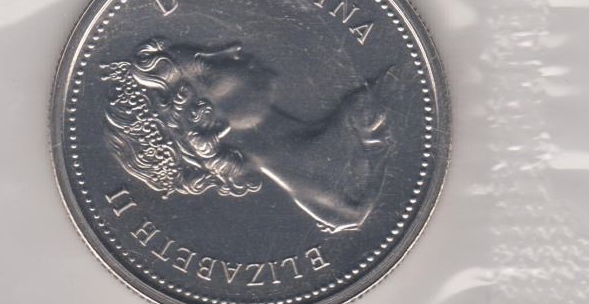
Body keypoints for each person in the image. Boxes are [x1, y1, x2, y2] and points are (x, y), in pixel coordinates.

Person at [99, 38, 399, 233]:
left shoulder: (357, 116)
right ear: (206, 121)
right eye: (208, 67)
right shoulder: (348, 192)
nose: (232, 49)